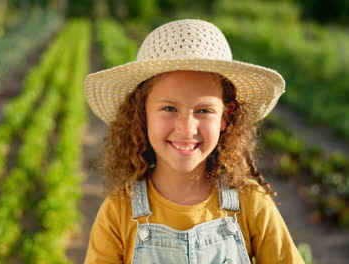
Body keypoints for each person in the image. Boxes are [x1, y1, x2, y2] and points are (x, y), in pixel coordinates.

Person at [83, 19, 304, 263]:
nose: (187, 128)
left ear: (225, 116)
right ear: (142, 113)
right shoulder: (119, 212)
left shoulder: (251, 203)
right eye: (169, 108)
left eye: (204, 111)